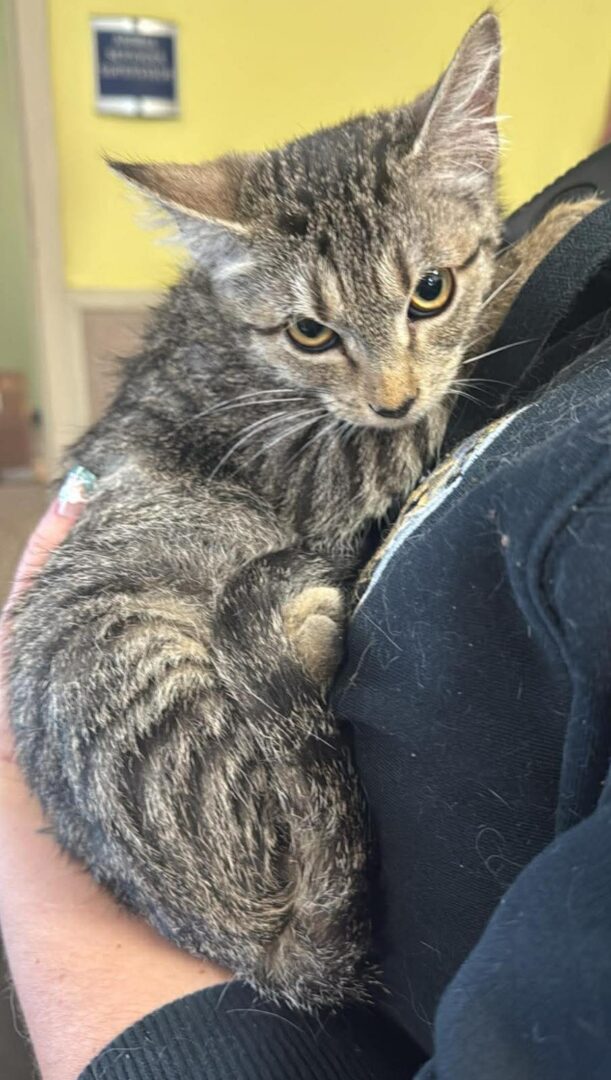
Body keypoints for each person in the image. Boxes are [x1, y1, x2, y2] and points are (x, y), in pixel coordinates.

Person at [3, 195, 611, 1079]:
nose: (392, 388)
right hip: (202, 854)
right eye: (318, 334)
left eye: (428, 294)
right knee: (117, 641)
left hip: (196, 959)